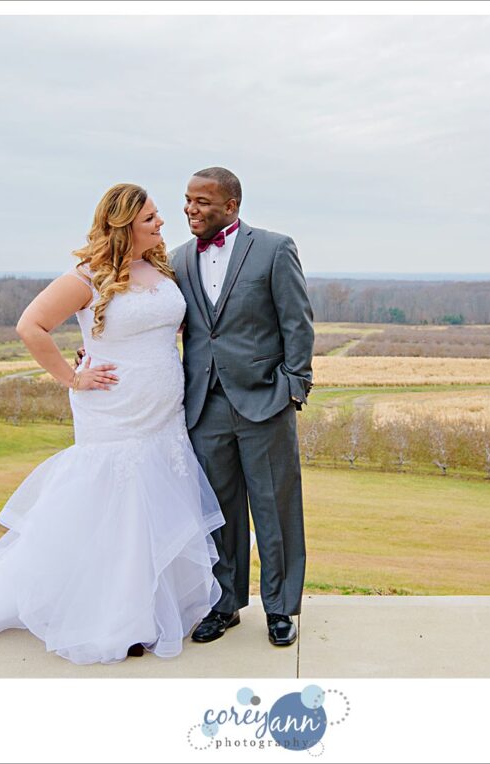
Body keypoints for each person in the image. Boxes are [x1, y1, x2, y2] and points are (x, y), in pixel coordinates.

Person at [0, 183, 226, 665]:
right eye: (150, 218)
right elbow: (31, 325)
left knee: (155, 511)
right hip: (113, 412)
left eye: (158, 216)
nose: (161, 223)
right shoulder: (86, 276)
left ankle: (152, 608)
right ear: (122, 224)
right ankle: (114, 622)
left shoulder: (162, 269)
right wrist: (72, 376)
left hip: (164, 415)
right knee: (117, 512)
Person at [78, 167, 314, 647]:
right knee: (217, 513)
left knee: (274, 509)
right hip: (200, 407)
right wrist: (91, 353)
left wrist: (294, 387)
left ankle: (281, 609)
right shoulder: (177, 261)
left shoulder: (273, 248)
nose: (190, 209)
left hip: (265, 401)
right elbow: (143, 316)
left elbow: (298, 323)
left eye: (202, 202)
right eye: (186, 200)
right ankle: (225, 605)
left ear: (231, 205)